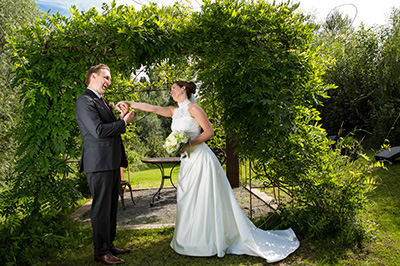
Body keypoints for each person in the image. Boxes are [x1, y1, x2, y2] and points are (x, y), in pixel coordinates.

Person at [116, 81, 300, 263]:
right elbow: (153, 108)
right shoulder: (174, 110)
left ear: (183, 89)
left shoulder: (194, 108)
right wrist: (131, 104)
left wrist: (188, 144)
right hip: (187, 161)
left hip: (202, 159)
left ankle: (210, 241)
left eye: (173, 87)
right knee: (188, 198)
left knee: (204, 198)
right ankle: (190, 240)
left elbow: (209, 132)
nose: (171, 90)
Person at [75, 64, 135, 265]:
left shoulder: (101, 101)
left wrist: (119, 118)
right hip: (98, 163)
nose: (109, 82)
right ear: (93, 76)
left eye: (109, 79)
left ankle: (108, 245)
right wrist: (124, 123)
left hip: (111, 162)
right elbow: (99, 131)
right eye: (106, 78)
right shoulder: (84, 101)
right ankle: (100, 251)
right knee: (101, 208)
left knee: (110, 207)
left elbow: (110, 128)